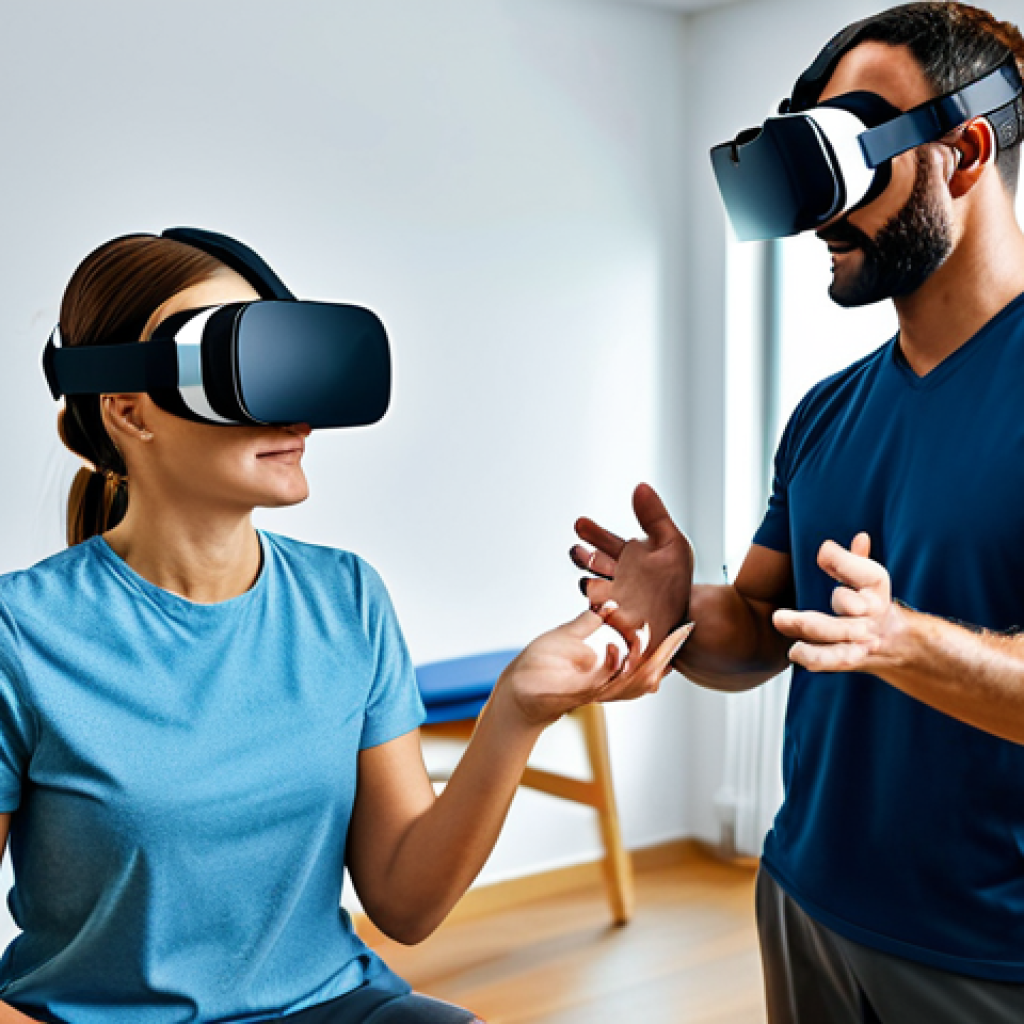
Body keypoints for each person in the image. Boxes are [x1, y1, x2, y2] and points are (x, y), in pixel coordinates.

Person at [0, 232, 689, 1024]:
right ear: (128, 410)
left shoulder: (345, 597)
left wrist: (516, 711)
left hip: (333, 1005)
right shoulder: (20, 636)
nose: (293, 410)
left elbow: (405, 903)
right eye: (238, 369)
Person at [571, 3, 1024, 1022]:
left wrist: (908, 641)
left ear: (962, 150)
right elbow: (765, 628)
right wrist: (677, 609)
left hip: (988, 952)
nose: (824, 213)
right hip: (803, 901)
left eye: (851, 162)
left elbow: (887, 642)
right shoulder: (826, 411)